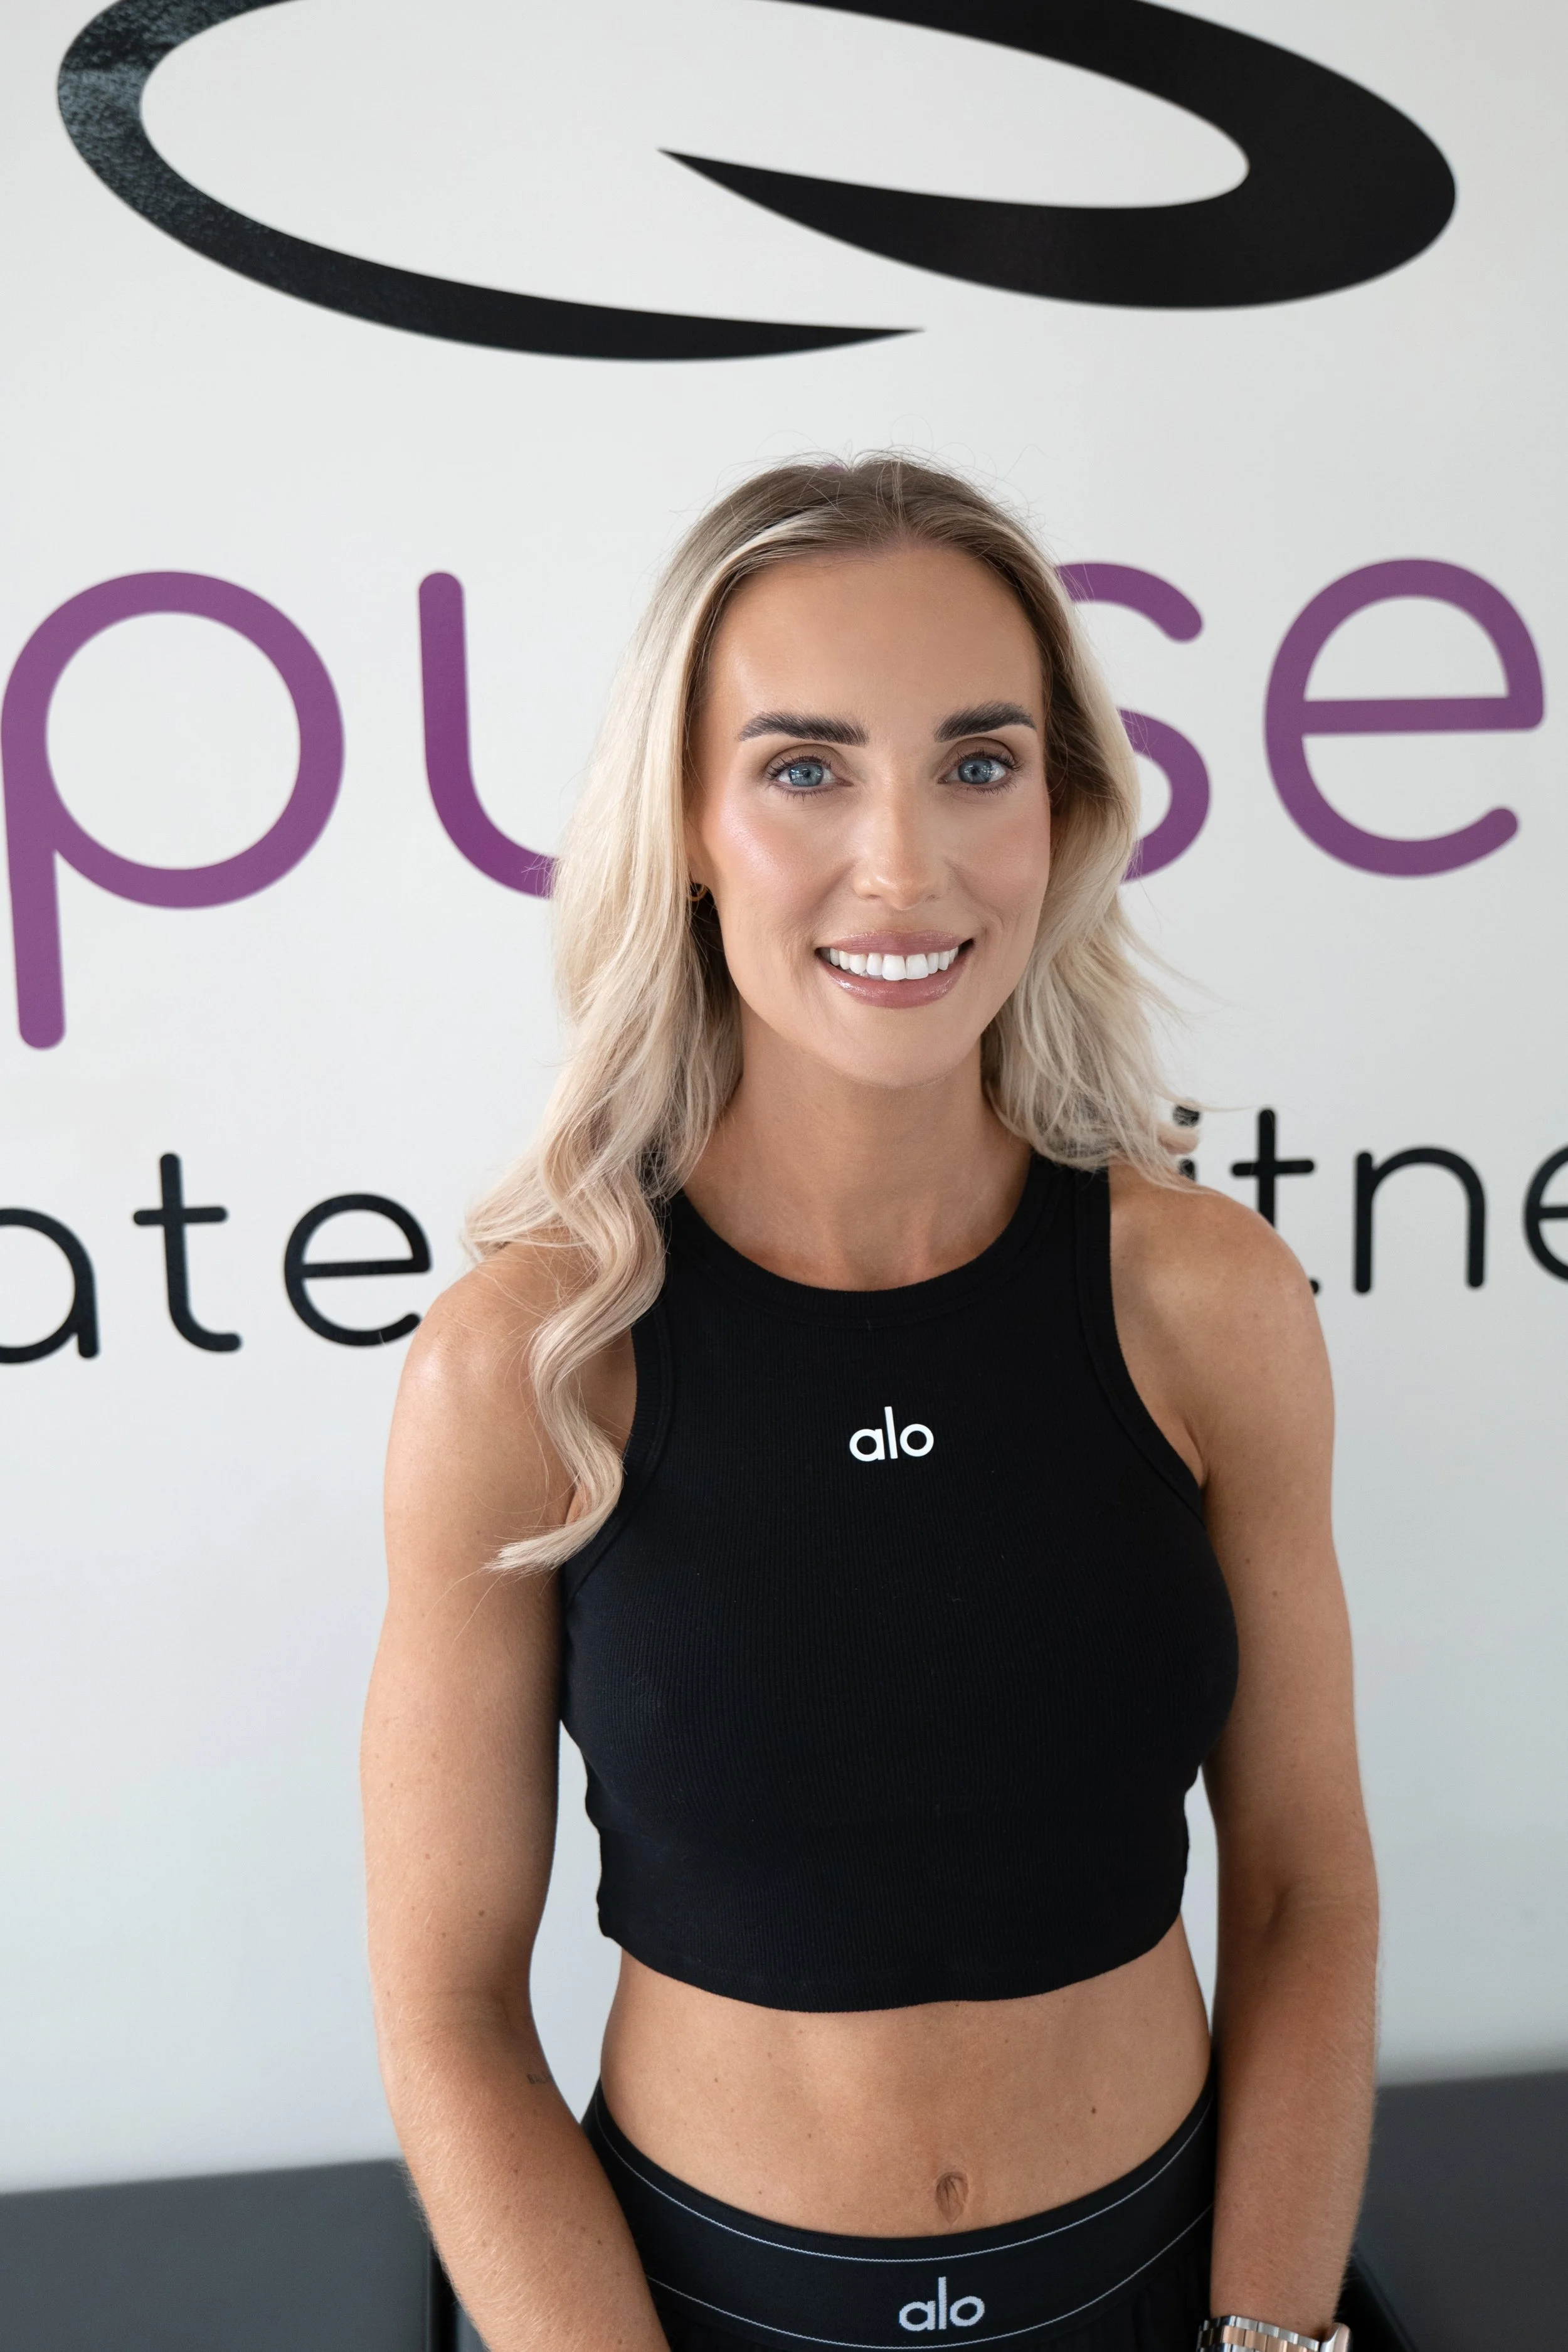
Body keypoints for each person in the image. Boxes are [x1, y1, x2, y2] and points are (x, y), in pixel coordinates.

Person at [363, 455, 1377, 2352]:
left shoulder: (1206, 1301)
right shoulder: (529, 1363)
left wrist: (1270, 2333)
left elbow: (1309, 1886)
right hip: (690, 2309)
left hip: (1175, 2293)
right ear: (683, 817)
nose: (904, 863)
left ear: (1063, 811)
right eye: (805, 766)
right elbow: (444, 2007)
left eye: (979, 763)